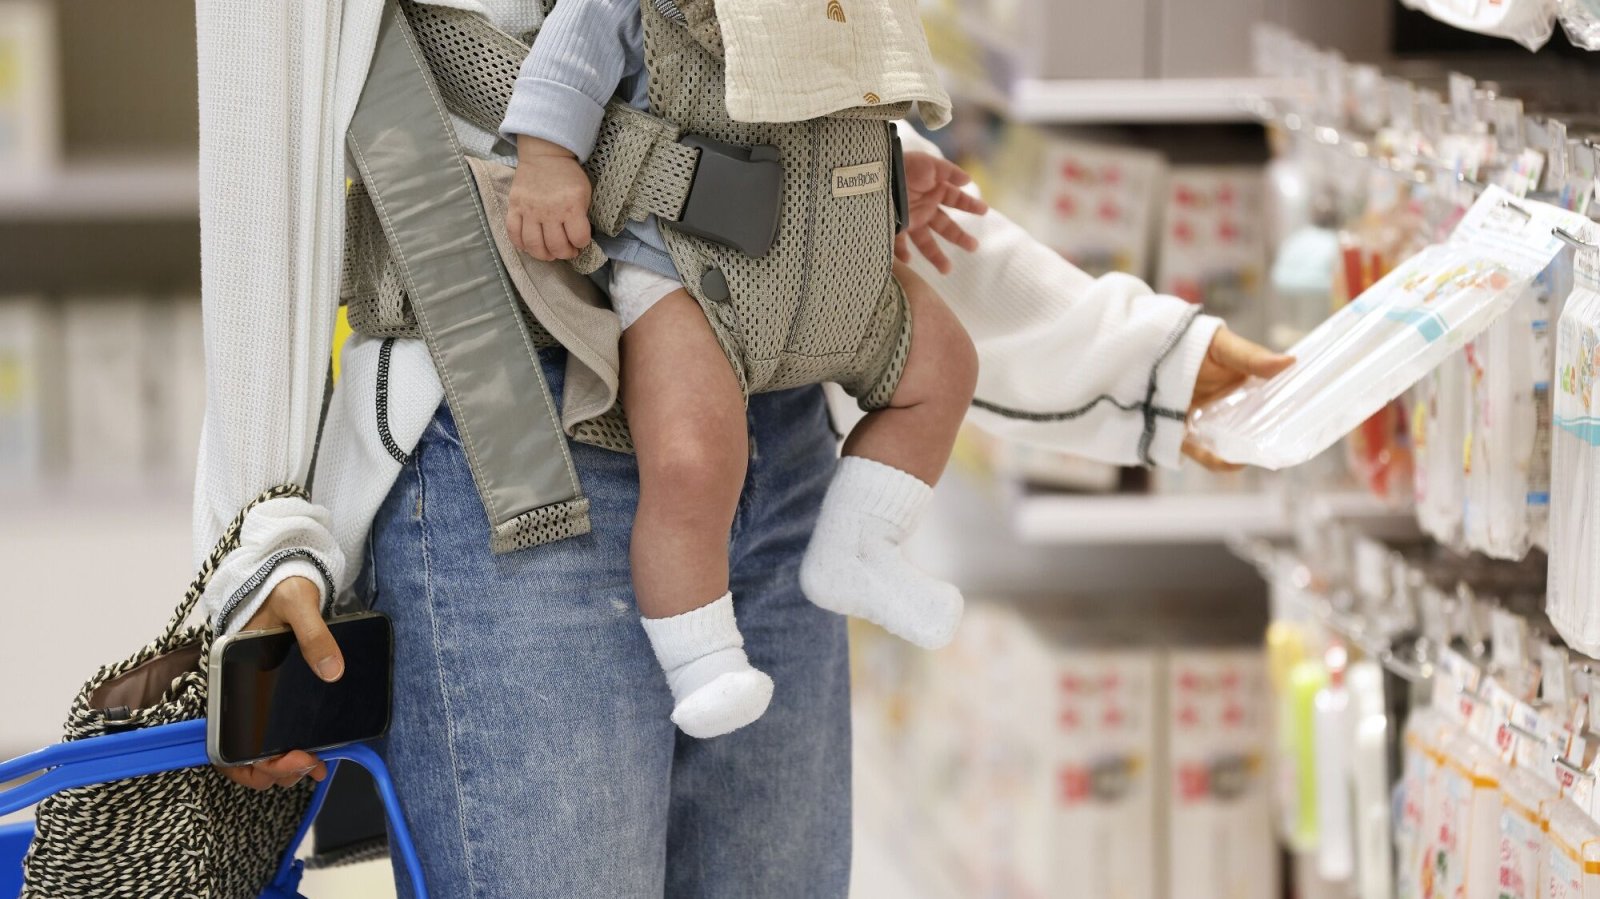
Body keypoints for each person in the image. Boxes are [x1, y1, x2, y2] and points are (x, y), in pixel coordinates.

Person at [195, 1, 1291, 894]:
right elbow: (262, 124)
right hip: (510, 442)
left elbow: (790, 118)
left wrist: (1137, 355)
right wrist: (256, 538)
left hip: (778, 428)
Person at [500, 0, 980, 739]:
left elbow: (845, 94)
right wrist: (546, 159)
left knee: (944, 367)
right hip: (689, 265)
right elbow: (567, 60)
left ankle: (862, 543)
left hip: (842, 269)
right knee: (691, 460)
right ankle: (702, 659)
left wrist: (893, 173)